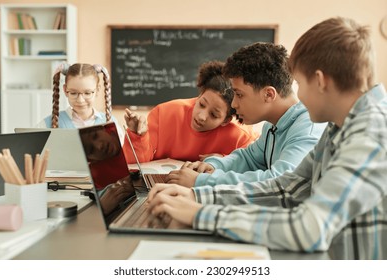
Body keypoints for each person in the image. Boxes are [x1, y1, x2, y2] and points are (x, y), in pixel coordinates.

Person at [146, 17, 387, 256]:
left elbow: (309, 228)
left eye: (300, 84)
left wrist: (200, 214)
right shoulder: (340, 126)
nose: (299, 96)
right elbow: (288, 189)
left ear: (320, 81)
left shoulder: (371, 134)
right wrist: (197, 195)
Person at [166, 42, 325, 188]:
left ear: (268, 94)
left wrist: (201, 181)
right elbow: (249, 158)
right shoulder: (273, 124)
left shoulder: (309, 127)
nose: (234, 104)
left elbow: (279, 181)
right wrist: (214, 165)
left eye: (239, 95)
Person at [122, 60, 256, 164]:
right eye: (202, 104)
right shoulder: (164, 113)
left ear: (226, 120)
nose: (201, 116)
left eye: (214, 115)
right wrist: (137, 136)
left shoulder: (241, 136)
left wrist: (225, 160)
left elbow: (256, 165)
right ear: (199, 96)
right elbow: (134, 165)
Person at [36, 63, 124, 141]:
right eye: (73, 93)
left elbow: (125, 156)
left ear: (97, 90)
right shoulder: (46, 124)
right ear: (65, 90)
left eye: (87, 93)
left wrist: (134, 133)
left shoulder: (111, 122)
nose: (80, 100)